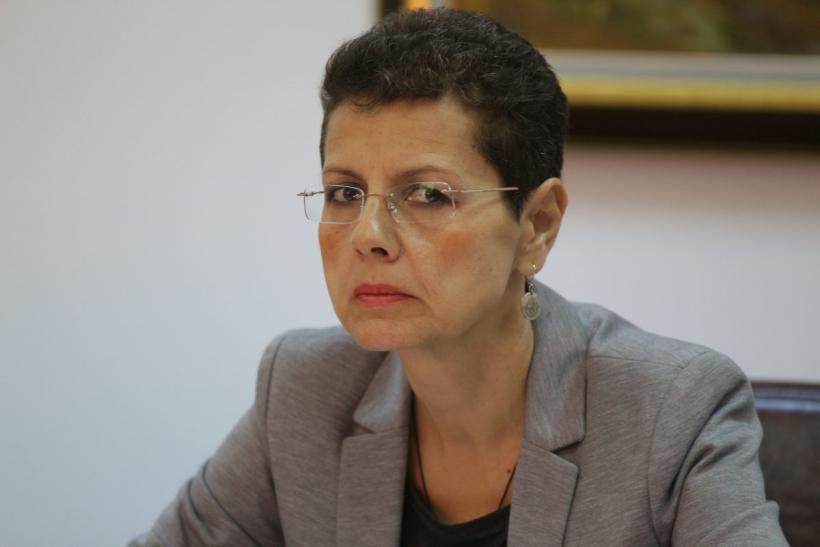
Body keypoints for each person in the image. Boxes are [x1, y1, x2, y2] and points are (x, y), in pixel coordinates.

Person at [130, 8, 787, 547]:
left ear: (537, 226)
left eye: (427, 195)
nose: (367, 235)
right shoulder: (305, 389)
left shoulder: (670, 409)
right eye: (345, 193)